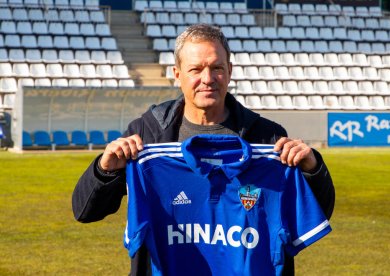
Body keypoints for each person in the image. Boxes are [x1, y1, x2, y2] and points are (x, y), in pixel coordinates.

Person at [72, 24, 335, 275]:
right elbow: (84, 212)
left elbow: (315, 212)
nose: (207, 79)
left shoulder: (268, 139)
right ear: (177, 74)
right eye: (196, 69)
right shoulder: (146, 137)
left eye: (217, 68)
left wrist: (312, 168)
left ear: (230, 71)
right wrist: (104, 171)